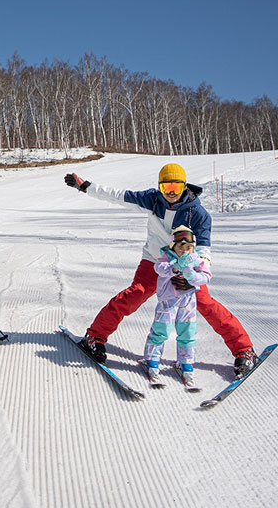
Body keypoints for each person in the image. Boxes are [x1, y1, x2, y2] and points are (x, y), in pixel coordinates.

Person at [64, 162, 259, 377]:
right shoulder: (152, 200)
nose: (172, 193)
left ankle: (244, 350)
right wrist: (86, 187)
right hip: (154, 260)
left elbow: (203, 251)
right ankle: (95, 337)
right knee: (135, 294)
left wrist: (193, 278)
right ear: (160, 187)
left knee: (204, 303)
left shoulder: (199, 214)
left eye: (176, 187)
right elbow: (118, 195)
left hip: (186, 267)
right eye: (167, 188)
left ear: (185, 186)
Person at [143, 225, 211, 386]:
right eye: (181, 246)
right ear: (173, 245)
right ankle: (152, 359)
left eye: (189, 246)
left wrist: (193, 275)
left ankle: (186, 362)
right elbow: (159, 268)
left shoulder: (196, 260)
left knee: (187, 332)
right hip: (168, 301)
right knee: (162, 330)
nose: (185, 250)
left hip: (187, 301)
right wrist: (176, 267)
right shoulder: (166, 257)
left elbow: (206, 276)